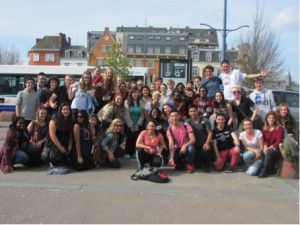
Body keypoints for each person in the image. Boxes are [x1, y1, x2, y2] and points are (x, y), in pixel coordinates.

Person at [47, 102, 73, 172]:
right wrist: (60, 147)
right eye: (63, 109)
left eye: (67, 109)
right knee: (58, 162)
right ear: (60, 110)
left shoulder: (70, 121)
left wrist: (70, 147)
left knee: (68, 165)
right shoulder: (54, 120)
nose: (65, 111)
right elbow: (52, 135)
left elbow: (70, 136)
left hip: (64, 145)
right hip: (54, 145)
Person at [186, 104, 212, 172]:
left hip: (204, 143)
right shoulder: (188, 121)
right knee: (197, 166)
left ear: (198, 111)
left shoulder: (205, 120)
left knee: (206, 150)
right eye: (191, 111)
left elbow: (210, 133)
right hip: (195, 145)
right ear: (189, 113)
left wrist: (207, 143)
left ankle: (207, 165)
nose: (192, 113)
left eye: (194, 111)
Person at [259, 111, 284, 178]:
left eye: (273, 118)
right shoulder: (264, 128)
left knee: (268, 152)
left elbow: (279, 140)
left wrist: (270, 147)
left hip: (277, 148)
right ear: (267, 119)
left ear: (275, 119)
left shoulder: (279, 128)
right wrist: (265, 146)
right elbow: (264, 140)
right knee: (262, 151)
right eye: (269, 118)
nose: (271, 120)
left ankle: (265, 170)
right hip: (268, 147)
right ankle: (271, 169)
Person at [276, 103, 299, 169]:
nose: (283, 111)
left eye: (285, 110)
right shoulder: (276, 120)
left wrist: (295, 138)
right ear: (279, 111)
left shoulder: (291, 119)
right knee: (288, 140)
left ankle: (293, 157)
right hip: (280, 139)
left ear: (287, 111)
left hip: (290, 138)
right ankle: (295, 156)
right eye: (282, 110)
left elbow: (295, 130)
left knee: (289, 139)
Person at [124, 88, 144, 158]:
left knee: (136, 137)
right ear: (131, 94)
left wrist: (137, 124)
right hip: (129, 123)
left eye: (137, 93)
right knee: (130, 137)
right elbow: (126, 115)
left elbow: (142, 115)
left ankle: (134, 152)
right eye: (134, 93)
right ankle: (128, 152)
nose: (135, 94)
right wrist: (131, 125)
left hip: (137, 123)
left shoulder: (141, 102)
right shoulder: (127, 102)